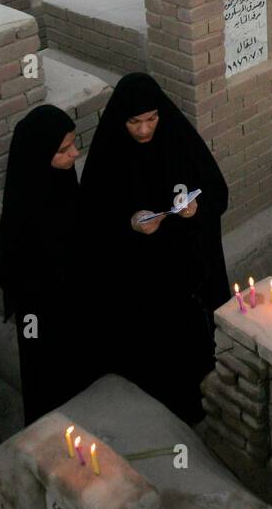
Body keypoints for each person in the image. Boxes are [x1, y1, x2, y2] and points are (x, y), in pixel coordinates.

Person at [80, 73, 229, 424]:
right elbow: (91, 218)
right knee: (150, 350)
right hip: (139, 276)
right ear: (121, 120)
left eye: (151, 120)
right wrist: (130, 223)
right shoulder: (109, 155)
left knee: (192, 348)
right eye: (135, 122)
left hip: (185, 271)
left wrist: (196, 210)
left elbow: (216, 193)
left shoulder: (178, 140)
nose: (145, 130)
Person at [0, 105, 96, 426]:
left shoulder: (62, 181)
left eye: (73, 143)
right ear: (40, 154)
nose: (75, 153)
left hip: (74, 306)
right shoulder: (24, 204)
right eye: (64, 149)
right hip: (44, 317)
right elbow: (9, 267)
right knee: (50, 383)